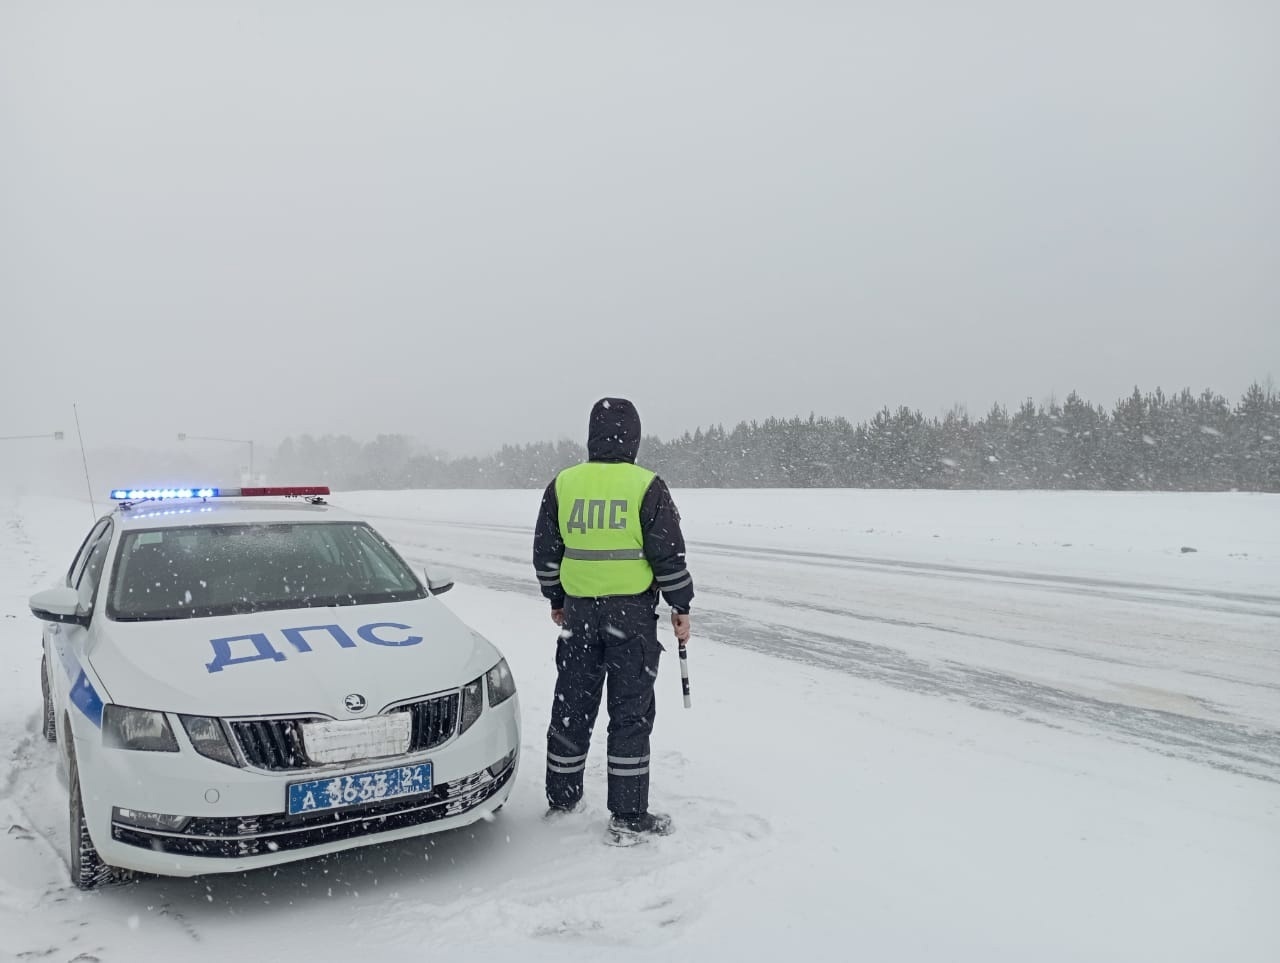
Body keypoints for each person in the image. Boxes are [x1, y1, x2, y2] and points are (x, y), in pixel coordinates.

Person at [533, 398, 694, 842]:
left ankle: (562, 799)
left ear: (591, 436)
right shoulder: (647, 485)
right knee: (629, 715)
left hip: (580, 613)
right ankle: (627, 816)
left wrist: (556, 596)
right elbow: (668, 555)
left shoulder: (563, 484)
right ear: (635, 439)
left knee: (572, 706)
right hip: (632, 617)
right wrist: (681, 606)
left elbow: (546, 553)